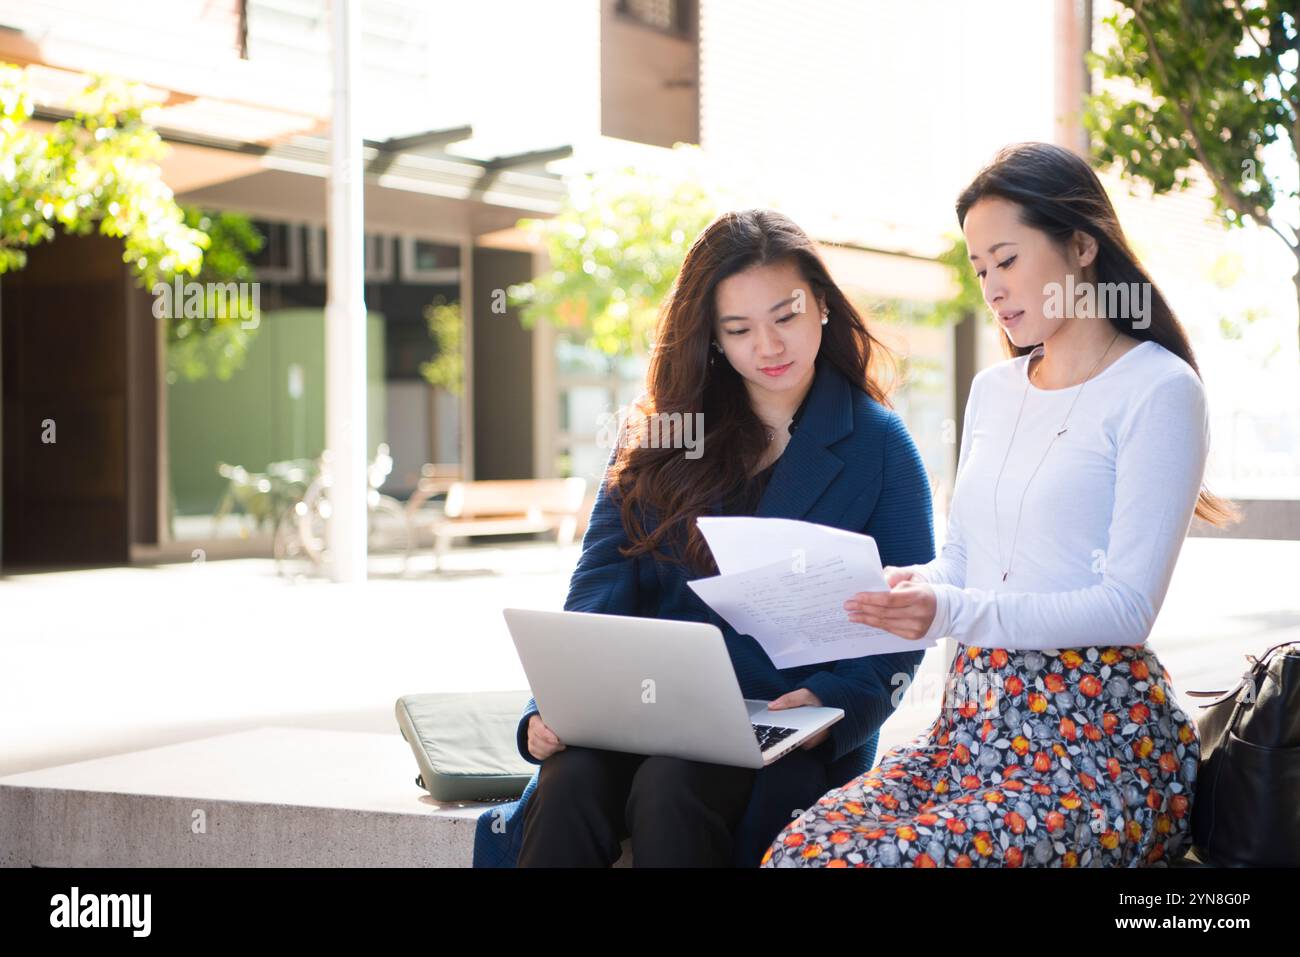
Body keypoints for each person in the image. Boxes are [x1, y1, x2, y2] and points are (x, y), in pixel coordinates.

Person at [762, 142, 1238, 869]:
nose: (991, 286)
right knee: (802, 847)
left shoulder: (1160, 389)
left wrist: (949, 610)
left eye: (1007, 259)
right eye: (979, 268)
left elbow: (1126, 606)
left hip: (1095, 742)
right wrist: (900, 589)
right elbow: (963, 559)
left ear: (1081, 245)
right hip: (971, 726)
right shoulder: (994, 389)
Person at [510, 208, 936, 867]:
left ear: (822, 304)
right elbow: (596, 599)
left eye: (785, 317)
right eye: (739, 329)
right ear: (712, 337)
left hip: (793, 731)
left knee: (672, 785)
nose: (768, 346)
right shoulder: (660, 440)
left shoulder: (881, 447)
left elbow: (908, 623)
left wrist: (837, 701)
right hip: (654, 710)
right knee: (569, 780)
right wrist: (554, 707)